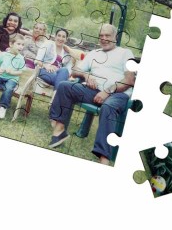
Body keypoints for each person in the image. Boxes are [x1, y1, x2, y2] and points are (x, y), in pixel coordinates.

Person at [48, 24, 136, 165]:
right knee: (65, 86)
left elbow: (129, 80)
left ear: (116, 37)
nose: (103, 38)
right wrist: (86, 75)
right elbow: (75, 69)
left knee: (108, 107)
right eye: (101, 36)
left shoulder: (125, 53)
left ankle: (104, 158)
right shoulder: (94, 53)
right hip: (93, 91)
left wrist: (107, 91)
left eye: (107, 36)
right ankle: (59, 131)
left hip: (117, 94)